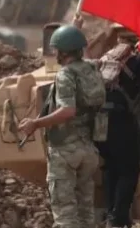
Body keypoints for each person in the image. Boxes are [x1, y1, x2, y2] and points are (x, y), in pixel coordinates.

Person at [18, 24, 106, 228]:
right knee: (85, 213)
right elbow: (89, 58)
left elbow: (68, 110)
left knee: (65, 213)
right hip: (87, 149)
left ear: (64, 52)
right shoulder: (91, 69)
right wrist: (77, 30)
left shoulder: (65, 74)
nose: (54, 53)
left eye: (56, 49)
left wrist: (35, 123)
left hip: (65, 150)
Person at [95, 25, 140, 228]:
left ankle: (111, 213)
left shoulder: (108, 58)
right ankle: (118, 218)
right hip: (120, 119)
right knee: (129, 170)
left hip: (99, 118)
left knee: (111, 167)